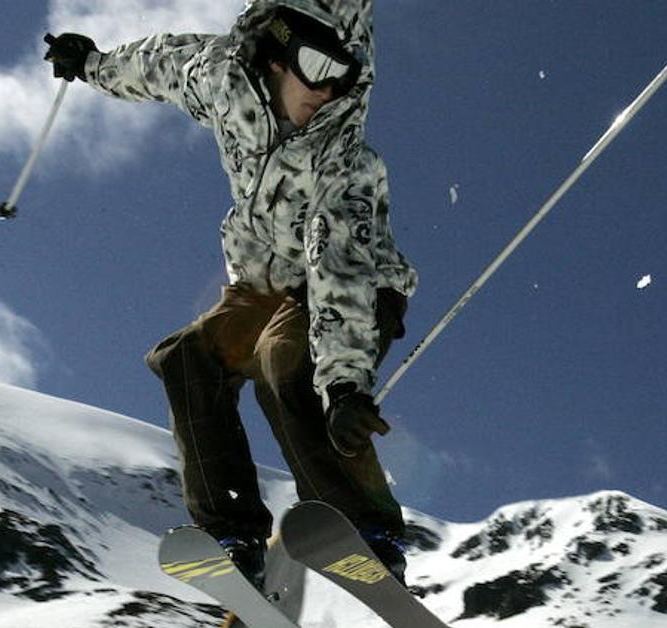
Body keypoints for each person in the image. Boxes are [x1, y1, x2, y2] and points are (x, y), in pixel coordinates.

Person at [43, 1, 417, 587]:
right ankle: (232, 530)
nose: (329, 90)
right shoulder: (220, 78)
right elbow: (158, 64)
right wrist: (90, 63)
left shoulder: (342, 161)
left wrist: (344, 383)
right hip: (261, 282)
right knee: (186, 358)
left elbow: (338, 269)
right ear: (275, 53)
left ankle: (363, 525)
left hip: (351, 290)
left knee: (283, 359)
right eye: (317, 66)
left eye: (345, 74)